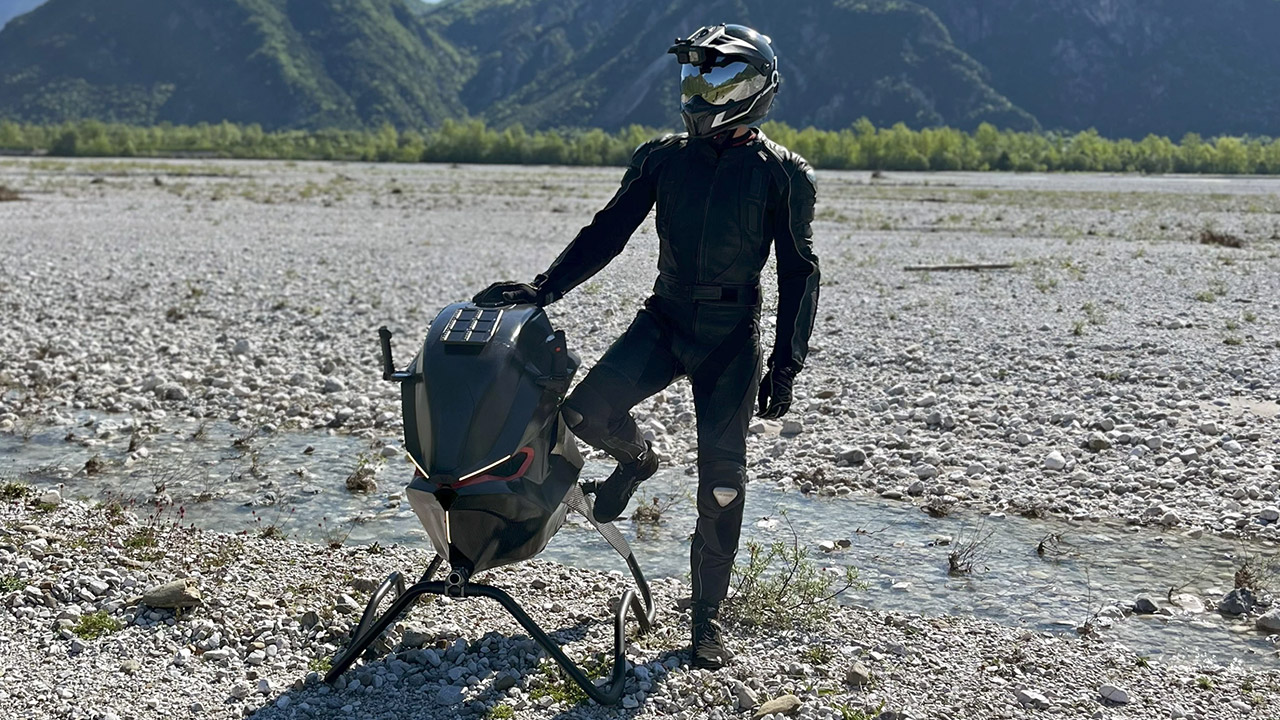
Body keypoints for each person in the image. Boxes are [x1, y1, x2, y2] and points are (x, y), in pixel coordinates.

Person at [474, 23, 819, 670]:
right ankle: (638, 462)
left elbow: (800, 272)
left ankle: (707, 620)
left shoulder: (784, 176)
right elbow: (609, 231)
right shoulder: (662, 157)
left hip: (730, 337)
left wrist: (786, 362)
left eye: (708, 77)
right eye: (690, 77)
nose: (692, 90)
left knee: (722, 484)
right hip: (663, 319)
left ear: (749, 88)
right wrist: (543, 290)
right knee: (580, 416)